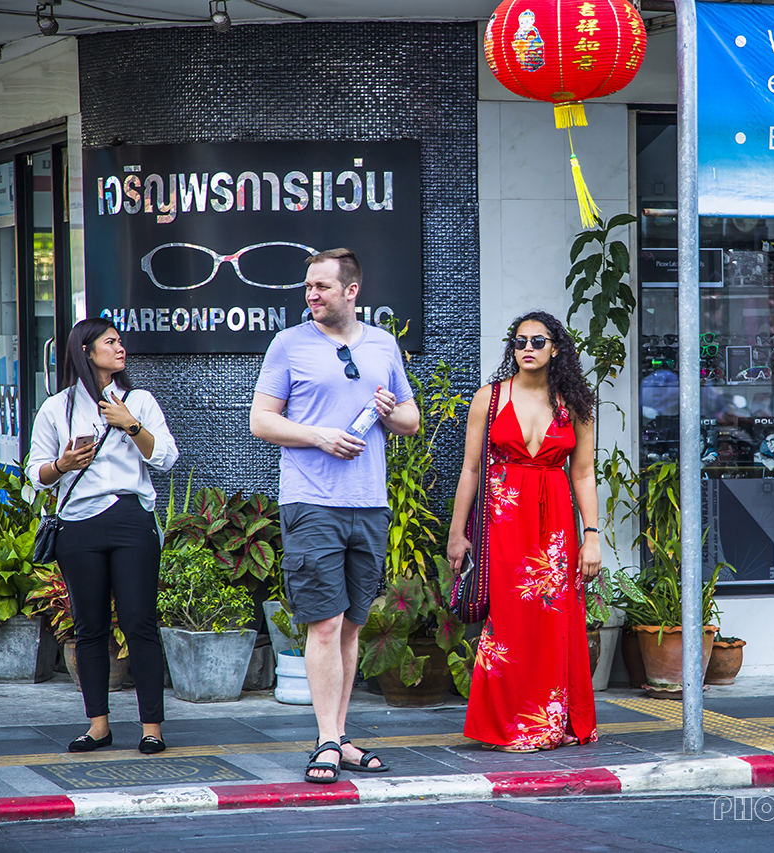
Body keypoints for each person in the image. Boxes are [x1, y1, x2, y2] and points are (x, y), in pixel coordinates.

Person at [250, 247, 420, 783]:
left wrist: (392, 412)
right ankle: (325, 739)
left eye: (321, 286)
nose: (311, 295)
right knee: (323, 622)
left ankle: (340, 735)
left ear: (352, 290)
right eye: (307, 286)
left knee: (350, 625)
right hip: (311, 499)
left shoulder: (383, 344)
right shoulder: (288, 344)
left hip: (368, 502)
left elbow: (411, 419)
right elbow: (261, 421)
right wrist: (319, 436)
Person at [447, 311, 601, 752]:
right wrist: (459, 534)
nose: (527, 349)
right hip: (503, 521)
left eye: (537, 341)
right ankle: (507, 725)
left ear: (556, 348)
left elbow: (585, 474)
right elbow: (470, 471)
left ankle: (550, 724)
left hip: (556, 523)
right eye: (519, 342)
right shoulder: (489, 398)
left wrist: (592, 535)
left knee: (555, 622)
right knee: (509, 625)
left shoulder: (575, 403)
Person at [27, 317, 178, 754]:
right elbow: (35, 474)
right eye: (110, 342)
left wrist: (131, 424)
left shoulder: (140, 401)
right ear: (86, 351)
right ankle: (98, 726)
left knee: (139, 623)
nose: (120, 348)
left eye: (120, 341)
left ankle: (152, 728)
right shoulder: (57, 407)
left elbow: (166, 459)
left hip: (131, 516)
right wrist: (63, 465)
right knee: (89, 627)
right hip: (78, 523)